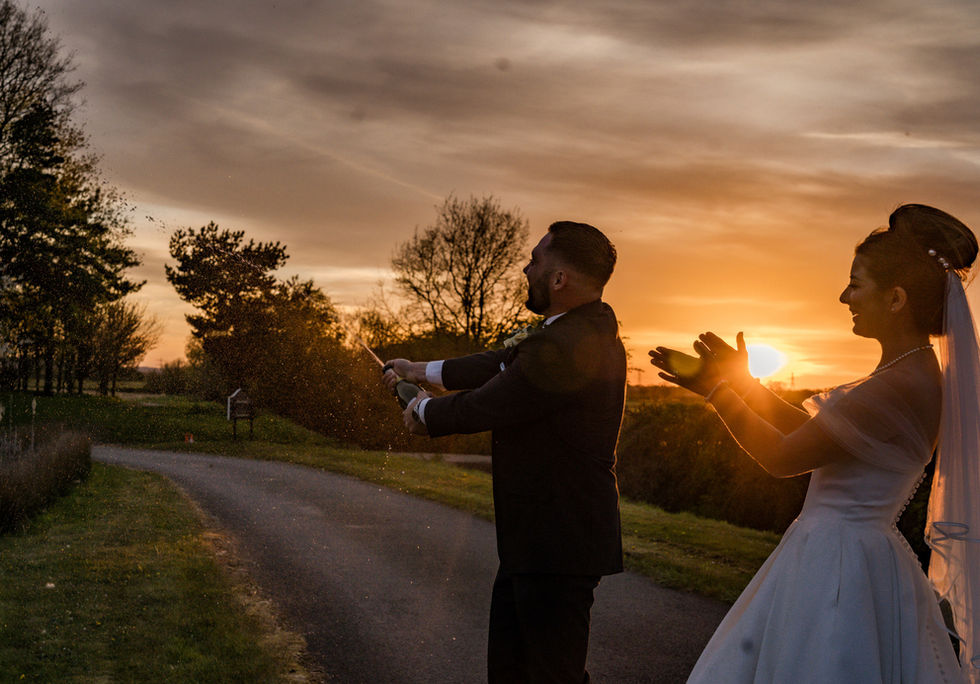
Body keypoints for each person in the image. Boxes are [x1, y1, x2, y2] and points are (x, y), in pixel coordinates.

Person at [650, 204, 979, 683]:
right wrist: (744, 384)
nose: (844, 295)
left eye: (856, 283)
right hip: (857, 555)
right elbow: (815, 437)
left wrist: (717, 392)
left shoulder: (898, 383)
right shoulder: (909, 372)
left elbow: (783, 456)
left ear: (896, 299)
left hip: (839, 568)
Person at [384, 221, 626, 683]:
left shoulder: (573, 344)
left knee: (552, 675)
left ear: (559, 280)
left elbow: (496, 400)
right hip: (536, 539)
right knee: (513, 671)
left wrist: (425, 413)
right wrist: (419, 368)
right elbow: (499, 362)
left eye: (535, 260)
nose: (525, 267)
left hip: (559, 542)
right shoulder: (567, 332)